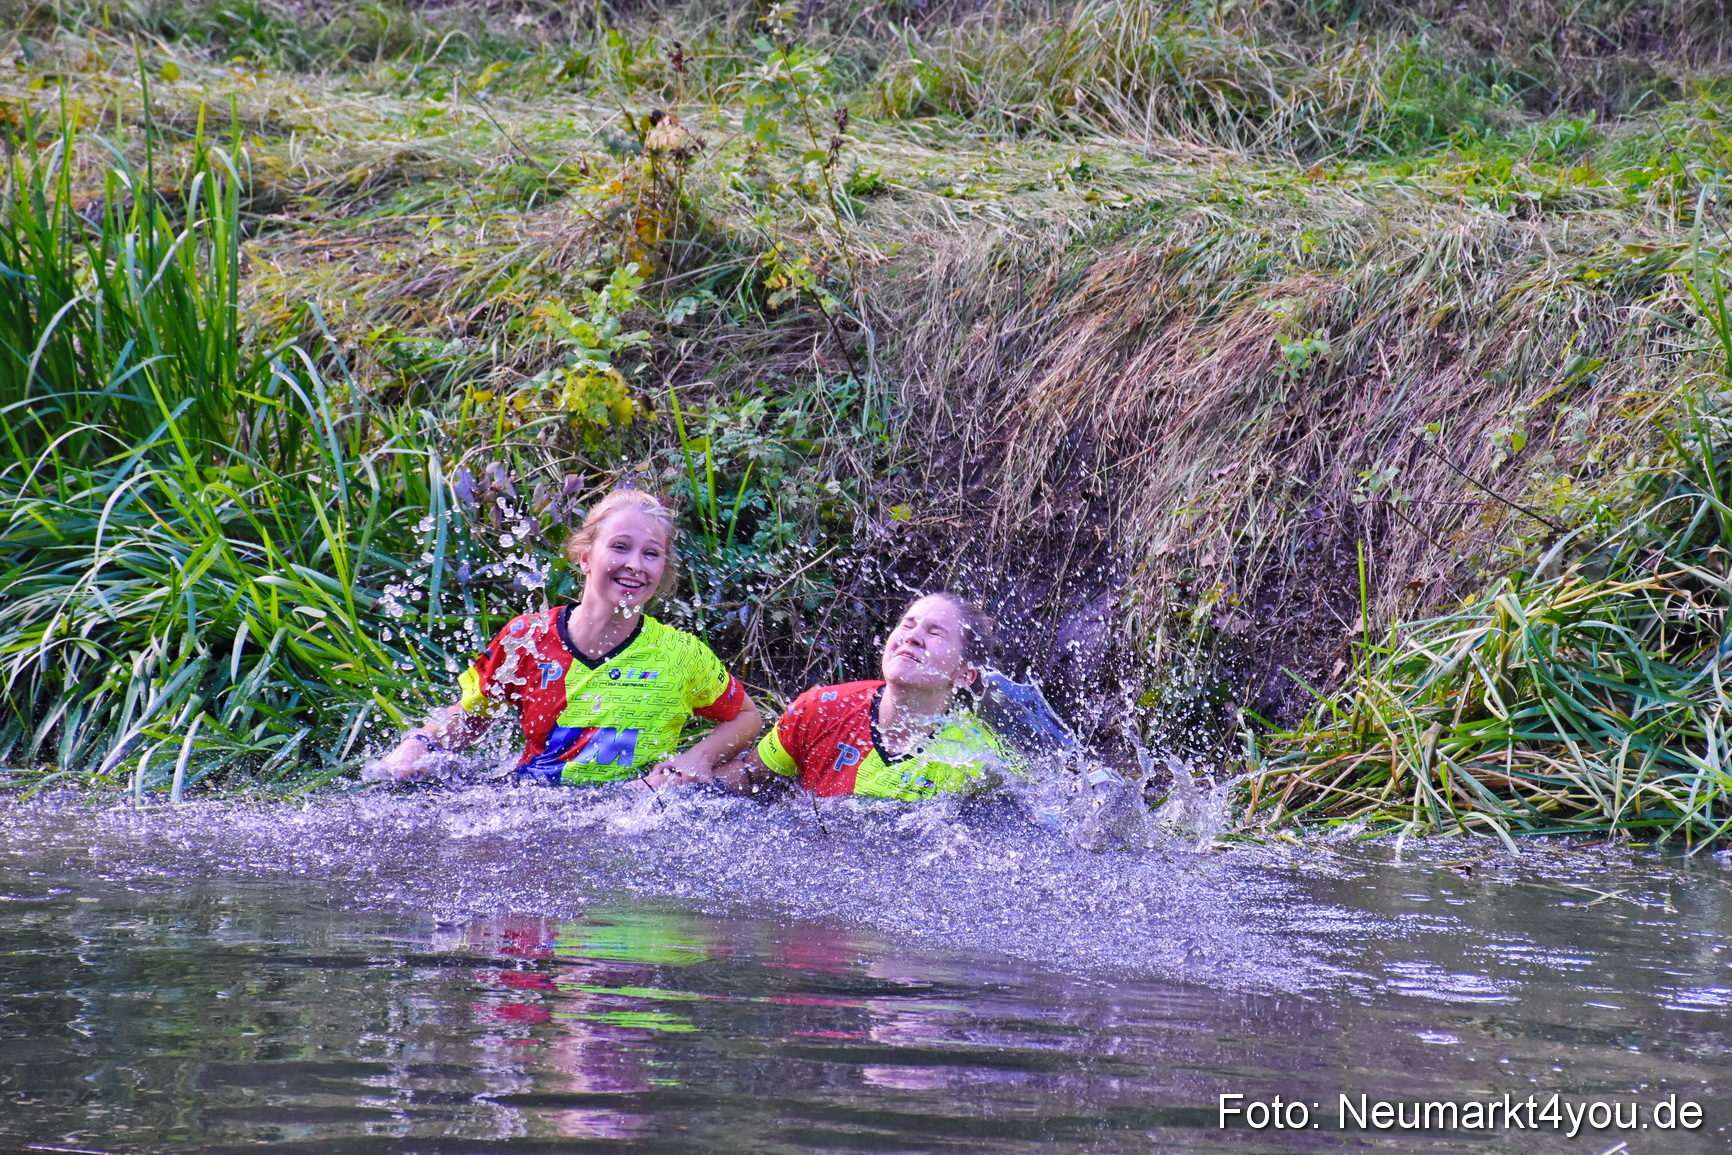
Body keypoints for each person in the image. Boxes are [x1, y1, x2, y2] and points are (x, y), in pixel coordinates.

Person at [372, 488, 761, 785]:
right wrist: (418, 745)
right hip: (531, 812)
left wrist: (696, 759)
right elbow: (470, 719)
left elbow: (746, 717)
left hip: (631, 822)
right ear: (585, 556)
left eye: (651, 554)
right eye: (620, 547)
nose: (634, 565)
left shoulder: (681, 654)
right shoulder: (526, 637)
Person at [645, 593, 1012, 800]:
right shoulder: (822, 708)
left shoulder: (975, 760)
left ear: (964, 675)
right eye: (908, 624)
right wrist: (682, 788)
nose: (912, 637)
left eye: (936, 633)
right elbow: (751, 777)